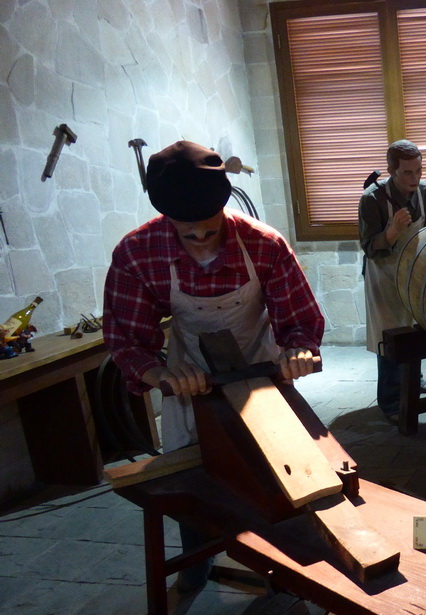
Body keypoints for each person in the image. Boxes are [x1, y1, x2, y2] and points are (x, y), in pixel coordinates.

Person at [103, 140, 324, 591]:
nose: (202, 240)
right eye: (189, 232)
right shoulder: (137, 253)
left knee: (278, 471)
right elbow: (126, 339)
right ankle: (195, 563)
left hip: (261, 370)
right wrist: (161, 374)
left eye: (211, 228)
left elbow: (299, 320)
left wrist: (298, 350)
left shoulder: (264, 245)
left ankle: (282, 563)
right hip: (191, 375)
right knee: (192, 474)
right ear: (168, 221)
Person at [358, 139, 426, 421]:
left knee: (415, 326)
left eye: (418, 171)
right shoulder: (372, 199)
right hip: (383, 273)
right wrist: (393, 230)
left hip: (414, 270)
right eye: (407, 173)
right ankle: (392, 402)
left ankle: (413, 381)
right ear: (392, 171)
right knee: (390, 336)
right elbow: (370, 246)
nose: (415, 178)